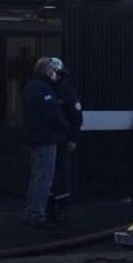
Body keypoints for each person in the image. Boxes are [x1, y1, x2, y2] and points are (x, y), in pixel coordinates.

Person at [21, 57, 67, 228]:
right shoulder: (44, 90)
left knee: (36, 177)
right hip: (45, 138)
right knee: (43, 178)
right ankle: (37, 214)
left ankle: (31, 211)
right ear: (49, 71)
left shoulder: (31, 87)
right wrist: (65, 126)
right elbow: (52, 114)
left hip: (34, 137)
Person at [48, 57, 83, 221]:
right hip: (49, 138)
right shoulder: (45, 90)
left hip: (62, 139)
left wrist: (72, 139)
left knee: (61, 172)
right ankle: (50, 205)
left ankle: (61, 205)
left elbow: (76, 117)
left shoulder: (67, 92)